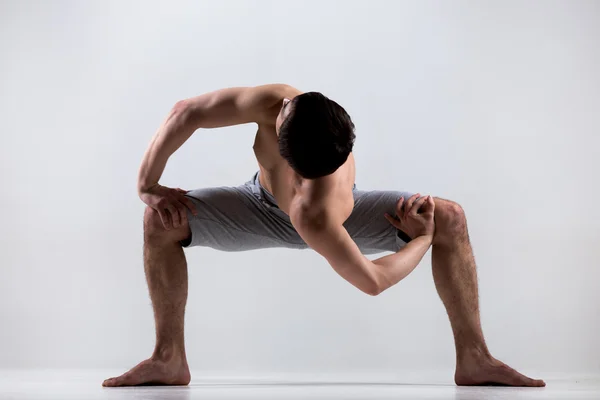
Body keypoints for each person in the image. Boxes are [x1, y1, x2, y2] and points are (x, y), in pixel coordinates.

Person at [102, 84, 545, 387]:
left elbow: (373, 281)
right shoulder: (279, 103)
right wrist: (147, 184)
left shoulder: (316, 210)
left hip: (336, 221)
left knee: (449, 218)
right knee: (157, 222)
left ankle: (474, 359)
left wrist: (424, 238)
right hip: (258, 206)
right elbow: (186, 112)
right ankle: (168, 359)